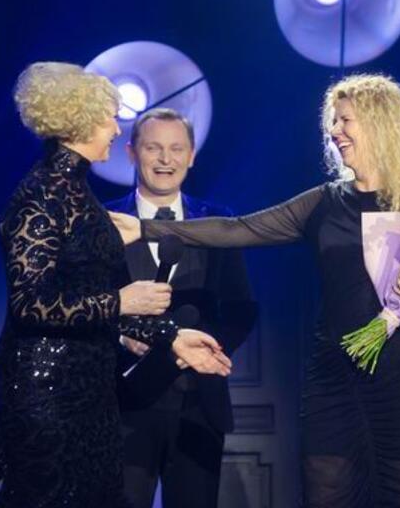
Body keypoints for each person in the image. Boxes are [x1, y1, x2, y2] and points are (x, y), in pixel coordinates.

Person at [110, 74, 400, 508]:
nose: (334, 131)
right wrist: (146, 228)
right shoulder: (324, 202)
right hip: (333, 377)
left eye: (345, 120)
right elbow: (238, 229)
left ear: (379, 123)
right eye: (333, 121)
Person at [0, 63, 231, 508]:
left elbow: (101, 299)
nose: (116, 130)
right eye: (109, 119)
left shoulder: (80, 194)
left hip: (93, 389)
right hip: (46, 388)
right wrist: (118, 301)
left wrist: (172, 337)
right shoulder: (41, 194)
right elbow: (30, 302)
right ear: (79, 121)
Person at [105, 108, 257, 508]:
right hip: (122, 403)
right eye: (153, 148)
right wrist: (120, 337)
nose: (165, 159)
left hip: (197, 405)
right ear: (132, 152)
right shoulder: (104, 222)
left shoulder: (218, 221)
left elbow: (241, 309)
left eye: (176, 149)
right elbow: (86, 307)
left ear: (191, 155)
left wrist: (204, 351)